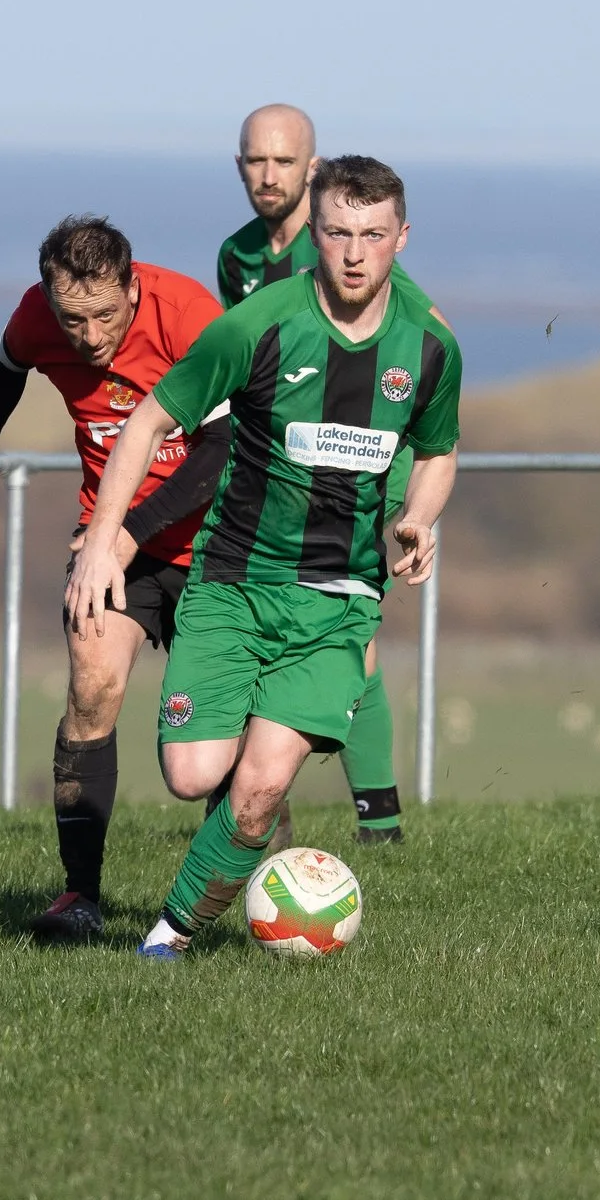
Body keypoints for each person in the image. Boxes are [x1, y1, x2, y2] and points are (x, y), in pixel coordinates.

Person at [66, 156, 461, 958]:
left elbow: (438, 450)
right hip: (232, 582)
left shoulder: (429, 350)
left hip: (339, 601)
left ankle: (166, 939)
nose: (355, 253)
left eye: (374, 235)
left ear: (402, 238)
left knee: (258, 792)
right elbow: (146, 422)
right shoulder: (258, 325)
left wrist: (418, 516)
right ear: (314, 232)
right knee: (191, 774)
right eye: (340, 232)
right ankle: (243, 782)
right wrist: (103, 545)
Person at [0, 217, 226, 943]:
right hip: (109, 543)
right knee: (92, 681)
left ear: (133, 285)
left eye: (105, 316)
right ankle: (79, 896)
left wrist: (128, 532)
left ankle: (247, 875)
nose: (88, 336)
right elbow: (2, 368)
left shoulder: (190, 318)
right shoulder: (38, 315)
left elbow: (223, 452)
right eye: (72, 319)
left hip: (217, 540)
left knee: (221, 743)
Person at [206, 105, 427, 843]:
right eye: (253, 161)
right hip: (271, 480)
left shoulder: (343, 242)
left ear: (312, 166)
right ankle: (261, 802)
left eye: (282, 161)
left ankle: (380, 818)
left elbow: (426, 340)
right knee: (261, 635)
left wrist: (414, 490)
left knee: (349, 637)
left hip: (360, 477)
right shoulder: (236, 257)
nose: (267, 176)